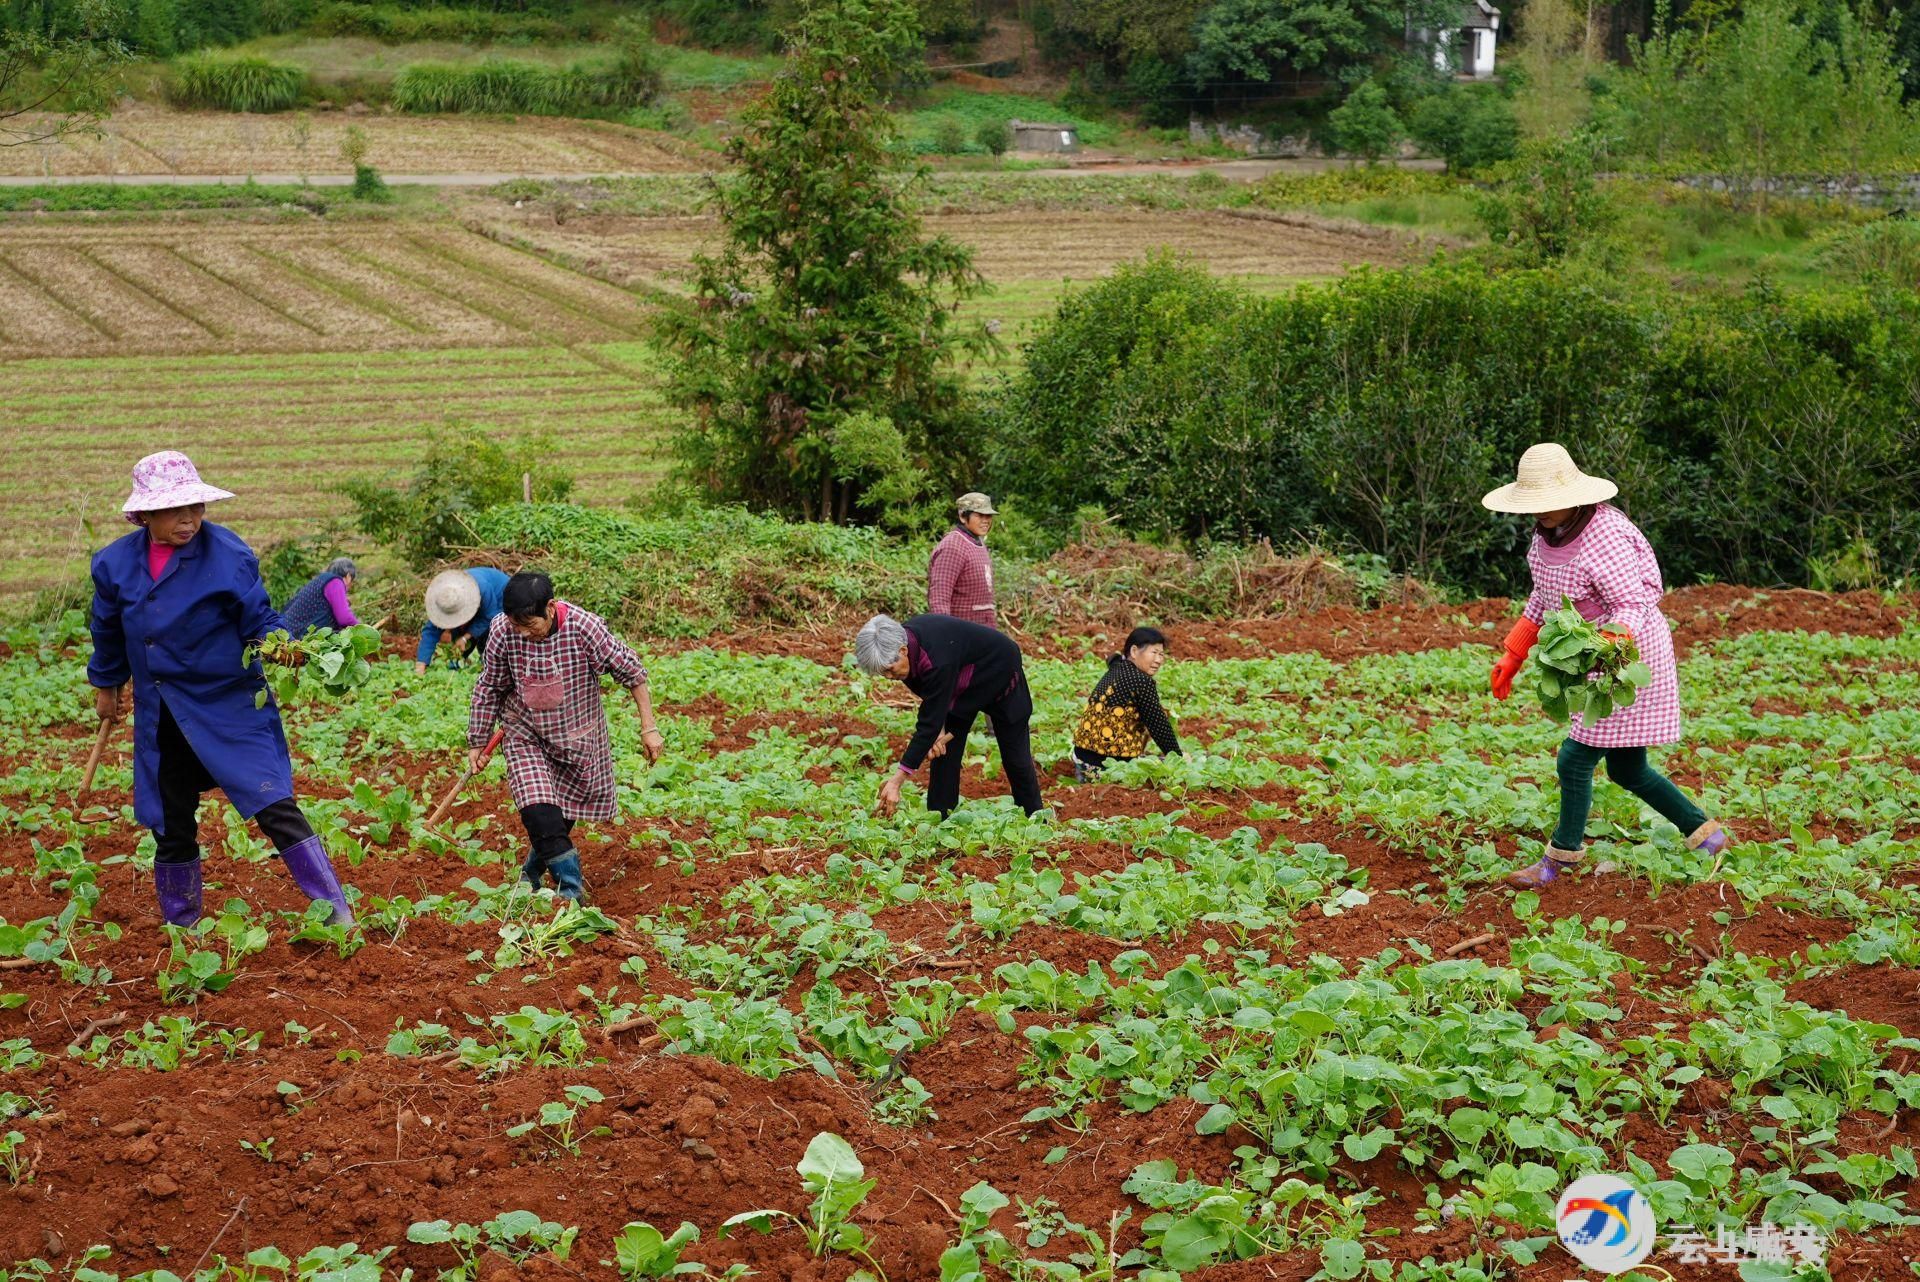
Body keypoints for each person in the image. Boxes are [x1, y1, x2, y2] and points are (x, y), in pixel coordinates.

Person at [86, 451, 354, 929]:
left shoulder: (228, 554)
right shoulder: (113, 565)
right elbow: (107, 630)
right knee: (172, 823)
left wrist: (283, 645)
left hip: (227, 702)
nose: (188, 518)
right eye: (174, 509)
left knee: (272, 802)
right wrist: (107, 683)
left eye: (195, 506)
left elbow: (260, 617)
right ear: (145, 514)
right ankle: (182, 927)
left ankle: (337, 912)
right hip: (164, 710)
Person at [1483, 442, 1732, 888]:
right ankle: (1706, 835)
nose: (1537, 514)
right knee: (1627, 769)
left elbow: (1633, 601)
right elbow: (1545, 598)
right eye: (1533, 505)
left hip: (1628, 656)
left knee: (1574, 759)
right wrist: (1514, 653)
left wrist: (1611, 642)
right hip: (1595, 658)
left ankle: (1560, 860)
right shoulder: (1547, 538)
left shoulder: (1607, 535)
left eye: (1546, 504)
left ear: (1571, 497)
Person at [466, 572, 665, 900]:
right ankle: (571, 893)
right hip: (524, 732)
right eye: (517, 626)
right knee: (536, 807)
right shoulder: (503, 630)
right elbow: (491, 686)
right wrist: (477, 739)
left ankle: (533, 871)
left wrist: (649, 727)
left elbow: (632, 671)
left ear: (550, 607)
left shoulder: (584, 628)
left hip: (576, 736)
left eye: (530, 626)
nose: (524, 634)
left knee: (559, 816)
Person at [853, 613, 1044, 819]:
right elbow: (931, 700)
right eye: (883, 673)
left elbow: (927, 724)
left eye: (890, 670)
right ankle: (940, 818)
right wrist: (939, 725)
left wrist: (896, 781)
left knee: (1015, 754)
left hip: (999, 670)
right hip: (959, 682)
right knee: (944, 750)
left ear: (903, 650)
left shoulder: (936, 659)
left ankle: (1034, 816)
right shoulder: (905, 649)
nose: (890, 677)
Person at [1071, 626, 1182, 781]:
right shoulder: (1141, 680)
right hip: (1106, 769)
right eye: (1154, 653)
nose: (1158, 660)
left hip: (1081, 760)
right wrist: (1178, 759)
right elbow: (1159, 726)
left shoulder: (1116, 669)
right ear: (1135, 651)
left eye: (1161, 654)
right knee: (1162, 771)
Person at [416, 566, 508, 674]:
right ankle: (458, 665)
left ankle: (491, 667)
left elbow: (489, 617)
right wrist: (421, 664)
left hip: (501, 599)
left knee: (487, 636)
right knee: (458, 636)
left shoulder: (482, 589)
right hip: (480, 603)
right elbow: (431, 632)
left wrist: (465, 637)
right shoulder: (444, 598)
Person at [928, 492, 998, 630]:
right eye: (979, 515)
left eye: (988, 516)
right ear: (962, 516)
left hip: (983, 633)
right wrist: (945, 635)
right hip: (962, 635)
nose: (985, 520)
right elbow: (939, 598)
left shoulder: (979, 543)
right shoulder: (953, 546)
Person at [281, 557, 360, 636]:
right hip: (299, 635)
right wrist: (362, 628)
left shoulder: (321, 579)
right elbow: (344, 619)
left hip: (286, 630)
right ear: (348, 576)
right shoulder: (335, 582)